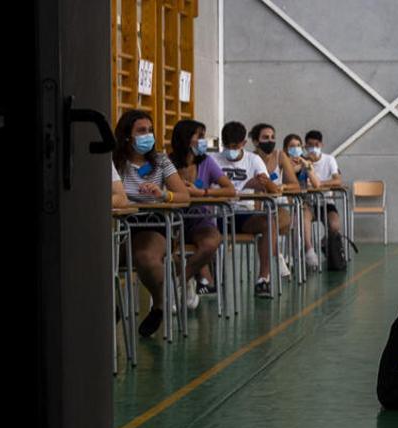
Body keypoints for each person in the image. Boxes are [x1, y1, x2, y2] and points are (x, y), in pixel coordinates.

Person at [110, 109, 191, 336]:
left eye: (150, 131)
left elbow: (184, 197)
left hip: (153, 222)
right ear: (127, 136)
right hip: (121, 223)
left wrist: (163, 194)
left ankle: (158, 304)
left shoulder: (161, 162)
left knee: (145, 257)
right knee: (101, 259)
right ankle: (110, 306)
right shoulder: (115, 162)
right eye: (141, 131)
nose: (147, 135)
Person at [169, 119, 237, 307]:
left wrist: (204, 193)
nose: (203, 141)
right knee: (169, 252)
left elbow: (230, 190)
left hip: (201, 218)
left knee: (211, 243)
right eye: (199, 136)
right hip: (174, 219)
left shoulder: (207, 161)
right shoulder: (168, 162)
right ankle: (186, 282)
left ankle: (179, 283)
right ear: (185, 139)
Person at [213, 121, 280, 298]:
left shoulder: (253, 160)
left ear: (243, 143)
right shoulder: (212, 160)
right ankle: (203, 280)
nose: (231, 150)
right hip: (216, 215)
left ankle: (263, 279)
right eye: (227, 146)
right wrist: (240, 188)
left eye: (235, 146)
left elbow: (272, 189)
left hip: (243, 213)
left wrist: (263, 183)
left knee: (269, 223)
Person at [249, 123, 297, 277]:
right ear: (256, 142)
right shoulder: (251, 158)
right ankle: (277, 256)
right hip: (256, 208)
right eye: (265, 137)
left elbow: (294, 185)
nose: (270, 140)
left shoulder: (280, 155)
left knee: (273, 223)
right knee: (264, 228)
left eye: (272, 137)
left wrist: (283, 187)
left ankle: (273, 258)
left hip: (279, 205)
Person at [280, 132, 322, 270]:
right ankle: (295, 252)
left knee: (301, 213)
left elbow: (316, 184)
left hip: (304, 201)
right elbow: (282, 179)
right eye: (292, 146)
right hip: (285, 201)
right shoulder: (282, 163)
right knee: (294, 215)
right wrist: (294, 168)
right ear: (286, 149)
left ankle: (307, 249)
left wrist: (307, 166)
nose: (296, 149)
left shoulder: (306, 162)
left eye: (298, 146)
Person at [304, 130, 344, 237]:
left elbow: (337, 180)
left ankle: (326, 244)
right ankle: (308, 249)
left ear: (321, 145)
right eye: (310, 145)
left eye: (316, 145)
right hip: (308, 203)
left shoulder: (329, 159)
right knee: (302, 222)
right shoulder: (302, 161)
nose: (313, 148)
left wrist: (319, 184)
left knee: (334, 226)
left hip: (326, 202)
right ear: (305, 146)